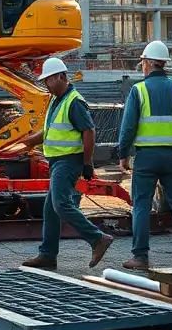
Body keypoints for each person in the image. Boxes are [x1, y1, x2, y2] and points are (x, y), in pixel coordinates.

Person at [118, 40, 172, 270]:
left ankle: (140, 257)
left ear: (148, 63)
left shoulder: (138, 91)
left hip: (147, 158)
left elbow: (128, 127)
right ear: (164, 63)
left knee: (141, 204)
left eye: (143, 63)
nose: (142, 67)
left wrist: (123, 155)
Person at [21, 57, 114, 271]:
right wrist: (31, 141)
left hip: (68, 161)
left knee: (61, 204)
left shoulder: (74, 101)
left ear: (61, 77)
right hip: (58, 161)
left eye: (49, 80)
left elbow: (89, 131)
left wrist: (87, 162)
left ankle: (97, 238)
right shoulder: (58, 100)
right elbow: (53, 130)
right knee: (51, 210)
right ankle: (47, 255)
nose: (46, 84)